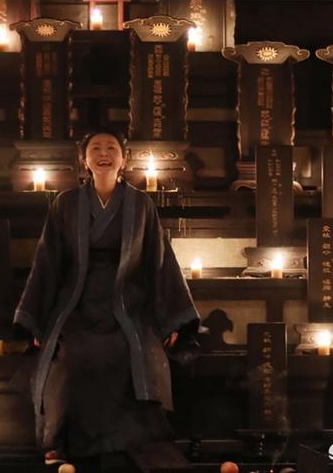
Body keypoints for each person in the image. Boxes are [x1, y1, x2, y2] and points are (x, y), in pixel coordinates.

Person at [13, 129, 200, 465]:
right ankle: (64, 440)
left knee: (134, 353)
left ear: (123, 160)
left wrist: (172, 320)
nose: (104, 153)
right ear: (84, 160)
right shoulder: (66, 203)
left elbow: (159, 261)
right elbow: (47, 264)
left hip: (128, 303)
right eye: (96, 148)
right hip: (76, 303)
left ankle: (128, 442)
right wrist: (36, 322)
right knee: (71, 356)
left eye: (111, 148)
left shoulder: (141, 204)